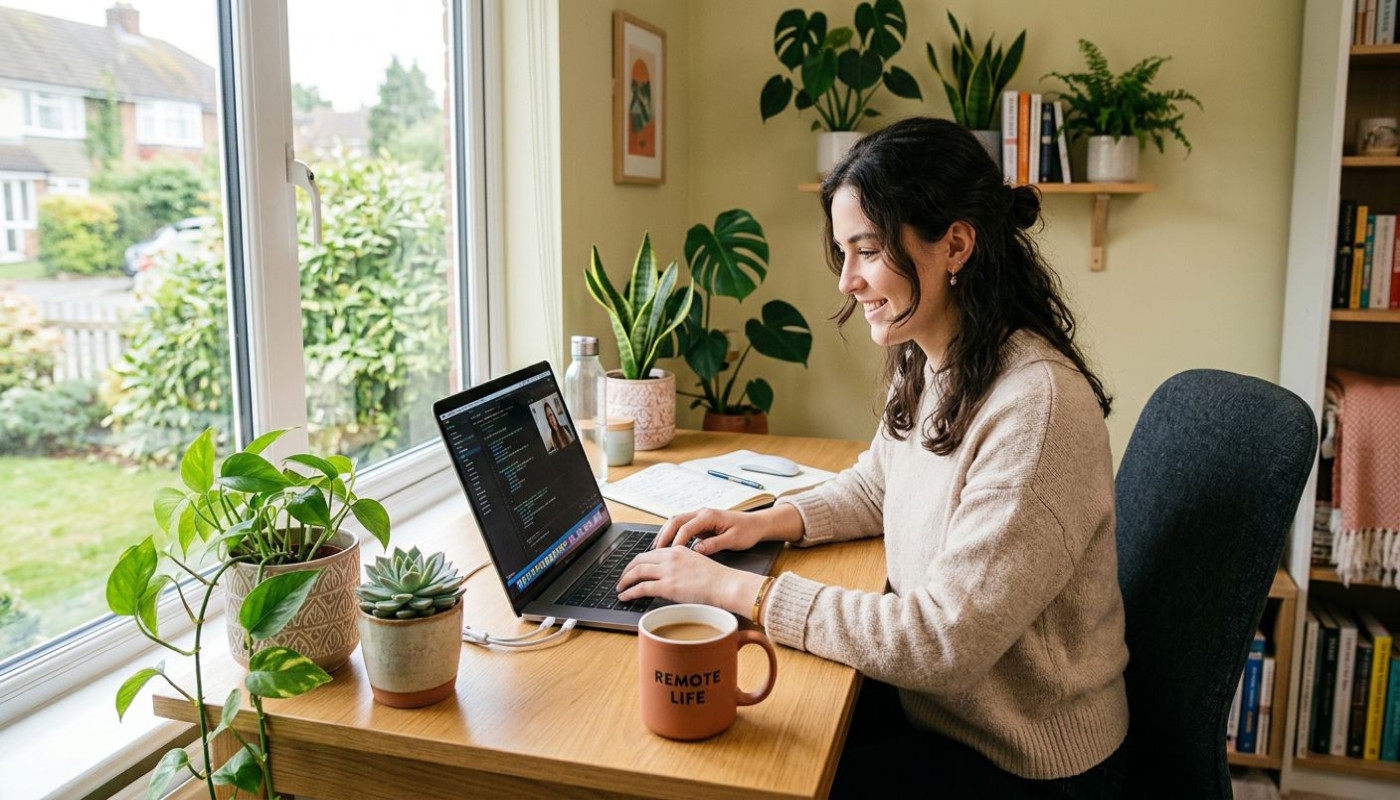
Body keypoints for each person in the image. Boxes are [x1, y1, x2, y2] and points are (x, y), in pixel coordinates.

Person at [616, 117, 1129, 796]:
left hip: (1023, 753)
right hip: (945, 708)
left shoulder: (1035, 408)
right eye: (843, 252)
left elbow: (940, 642)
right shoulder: (932, 357)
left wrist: (733, 589)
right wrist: (767, 522)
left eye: (867, 250)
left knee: (755, 777)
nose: (847, 281)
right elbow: (879, 486)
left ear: (956, 244)